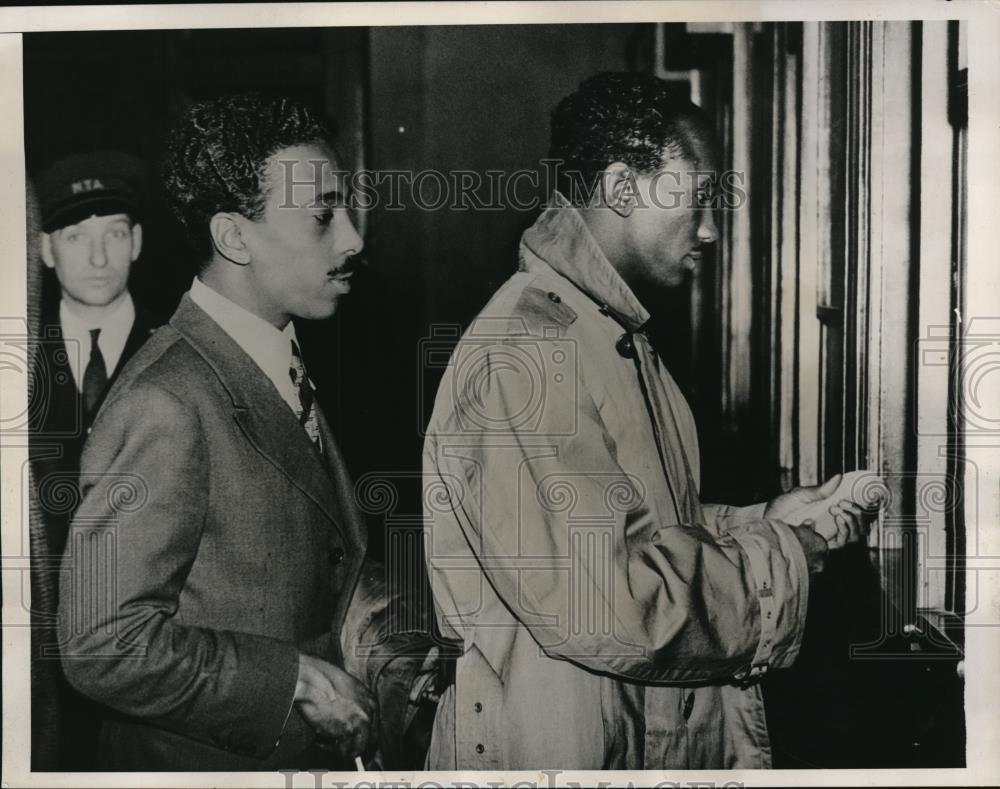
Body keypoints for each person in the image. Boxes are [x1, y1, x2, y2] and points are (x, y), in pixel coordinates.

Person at [421, 72, 872, 769]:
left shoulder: (604, 333)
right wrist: (786, 558)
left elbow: (638, 528)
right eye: (696, 202)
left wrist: (766, 519)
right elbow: (610, 600)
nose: (712, 230)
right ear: (623, 188)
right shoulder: (532, 353)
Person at [57, 94, 378, 770]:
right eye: (323, 216)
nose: (352, 238)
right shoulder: (166, 401)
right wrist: (289, 677)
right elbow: (102, 643)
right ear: (233, 237)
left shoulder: (268, 356)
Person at [29, 150, 160, 769]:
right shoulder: (16, 363)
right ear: (46, 248)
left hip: (155, 643)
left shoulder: (178, 349)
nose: (99, 257)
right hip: (38, 646)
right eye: (76, 236)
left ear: (137, 241)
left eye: (114, 233)